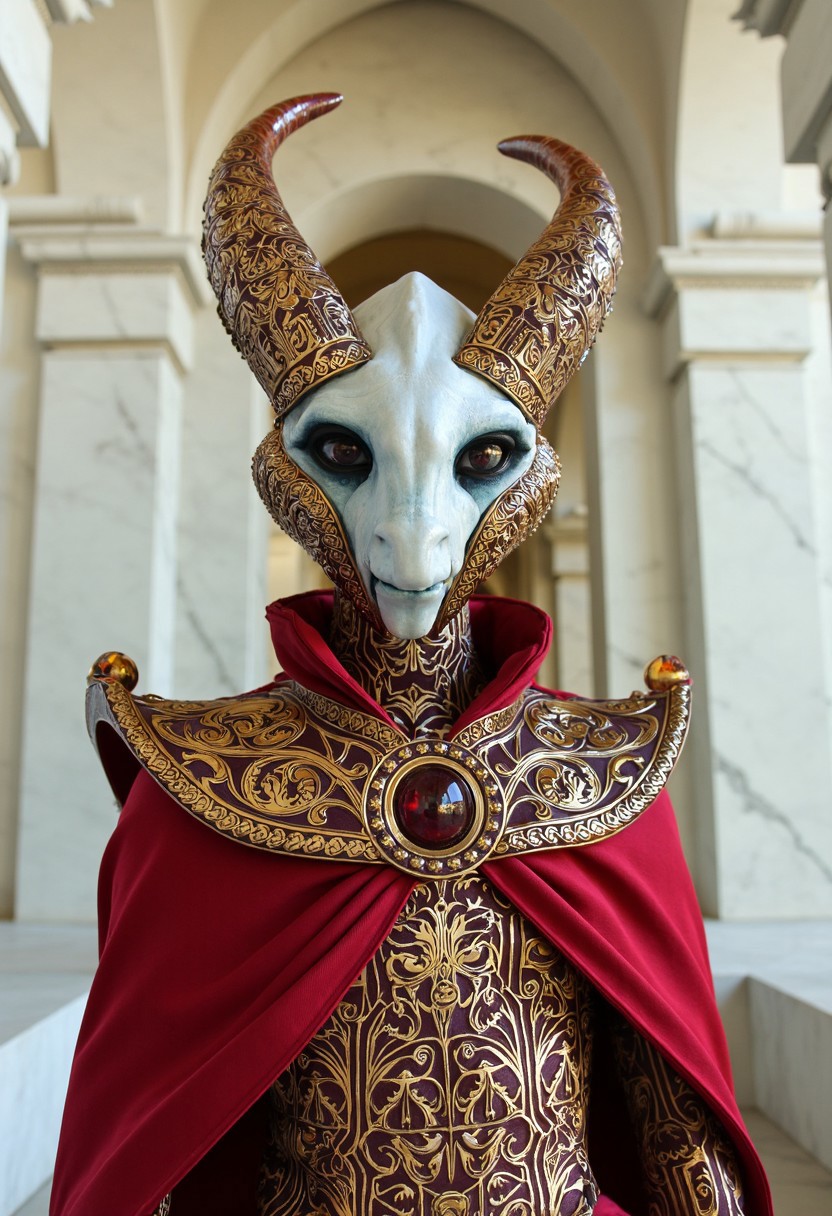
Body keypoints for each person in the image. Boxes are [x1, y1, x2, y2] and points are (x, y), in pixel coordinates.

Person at [50, 95, 772, 1216]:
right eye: (346, 454)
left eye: (480, 460)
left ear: (524, 472)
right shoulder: (199, 785)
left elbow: (670, 1116)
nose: (413, 533)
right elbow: (148, 1137)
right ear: (290, 466)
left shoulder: (605, 775)